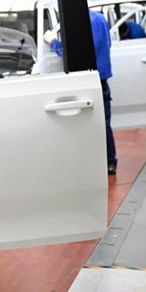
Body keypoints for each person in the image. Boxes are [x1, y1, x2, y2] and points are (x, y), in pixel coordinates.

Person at [44, 10, 116, 174]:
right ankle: (110, 162)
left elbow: (72, 52)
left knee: (88, 125)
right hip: (102, 77)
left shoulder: (80, 20)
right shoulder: (100, 18)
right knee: (104, 123)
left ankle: (93, 164)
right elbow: (107, 44)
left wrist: (53, 41)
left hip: (87, 78)